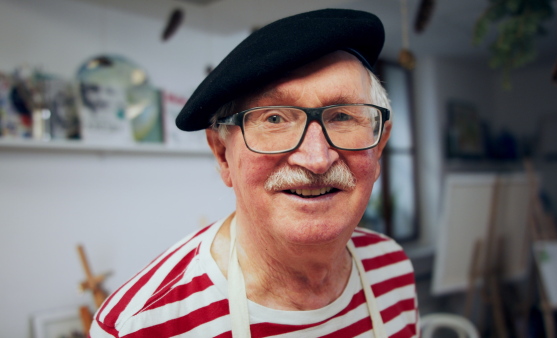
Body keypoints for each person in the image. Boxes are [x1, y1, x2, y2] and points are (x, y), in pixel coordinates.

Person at [90, 8, 418, 338]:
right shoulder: (140, 325)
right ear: (222, 154)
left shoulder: (392, 267)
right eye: (274, 119)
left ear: (378, 147)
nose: (317, 159)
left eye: (343, 117)